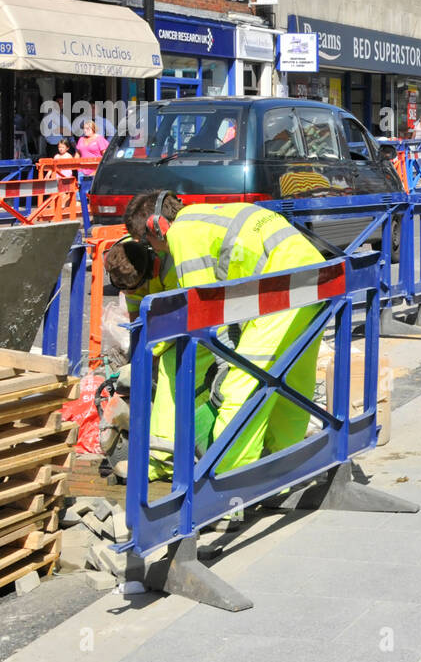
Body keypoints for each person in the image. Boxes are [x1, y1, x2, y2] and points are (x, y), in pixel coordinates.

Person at [124, 192, 327, 474]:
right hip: (321, 280)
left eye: (149, 242)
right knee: (292, 385)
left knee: (239, 391)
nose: (156, 250)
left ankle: (229, 488)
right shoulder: (208, 214)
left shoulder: (182, 234)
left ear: (157, 226)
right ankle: (282, 471)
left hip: (281, 292)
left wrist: (220, 365)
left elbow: (203, 314)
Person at [104, 234, 219, 480]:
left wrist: (152, 355)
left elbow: (177, 321)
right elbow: (138, 321)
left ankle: (163, 459)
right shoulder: (127, 264)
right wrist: (135, 362)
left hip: (202, 324)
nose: (132, 293)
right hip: (174, 322)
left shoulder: (173, 269)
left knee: (173, 370)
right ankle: (189, 445)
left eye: (135, 288)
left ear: (148, 273)